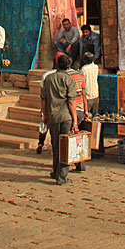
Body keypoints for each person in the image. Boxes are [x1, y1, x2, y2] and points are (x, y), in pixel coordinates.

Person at [40, 54, 78, 185]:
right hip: (66, 116)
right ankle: (61, 176)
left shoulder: (48, 79)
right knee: (65, 147)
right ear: (68, 66)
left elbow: (43, 99)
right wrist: (75, 121)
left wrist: (45, 115)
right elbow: (72, 102)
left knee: (56, 146)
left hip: (53, 116)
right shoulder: (69, 80)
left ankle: (55, 171)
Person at [68, 64, 89, 172]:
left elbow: (71, 101)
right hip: (80, 109)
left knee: (70, 138)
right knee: (75, 137)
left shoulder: (65, 77)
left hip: (71, 112)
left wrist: (75, 122)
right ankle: (79, 164)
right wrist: (86, 110)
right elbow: (84, 94)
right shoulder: (79, 75)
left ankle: (78, 164)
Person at [80, 52, 99, 116]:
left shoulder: (84, 69)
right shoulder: (96, 67)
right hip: (95, 93)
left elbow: (82, 81)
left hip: (87, 95)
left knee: (87, 116)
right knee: (95, 114)